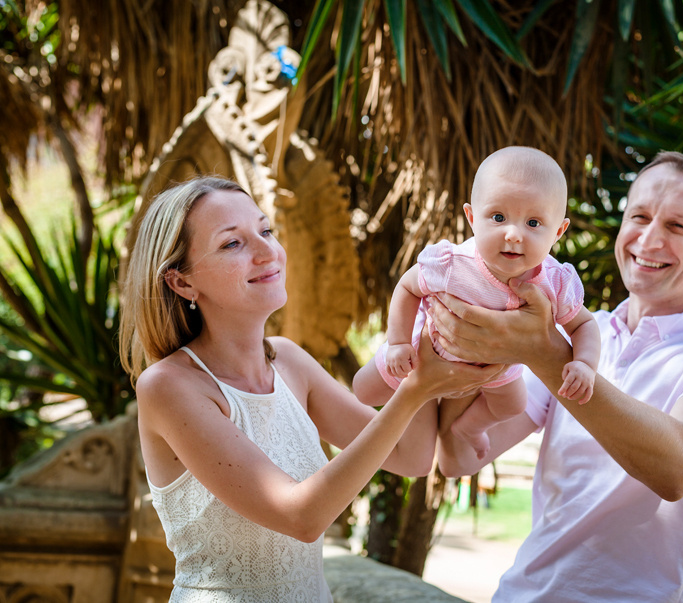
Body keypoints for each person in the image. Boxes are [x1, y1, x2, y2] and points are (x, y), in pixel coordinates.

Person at [118, 176, 497, 602]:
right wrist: (413, 391)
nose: (268, 253)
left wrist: (428, 334)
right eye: (232, 244)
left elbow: (410, 457)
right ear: (182, 283)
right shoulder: (169, 386)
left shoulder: (288, 361)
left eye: (265, 231)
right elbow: (302, 517)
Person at [434, 151, 683, 602]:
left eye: (678, 227)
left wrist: (542, 352)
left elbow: (680, 467)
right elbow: (460, 457)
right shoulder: (564, 336)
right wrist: (468, 340)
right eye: (639, 216)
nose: (649, 239)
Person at [353, 146, 601, 459]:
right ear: (472, 217)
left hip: (496, 368)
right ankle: (404, 417)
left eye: (534, 223)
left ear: (559, 231)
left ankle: (469, 427)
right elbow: (407, 287)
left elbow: (584, 325)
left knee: (513, 404)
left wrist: (585, 364)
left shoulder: (555, 281)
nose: (513, 234)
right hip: (424, 351)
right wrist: (399, 343)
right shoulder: (451, 264)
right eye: (498, 217)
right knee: (363, 390)